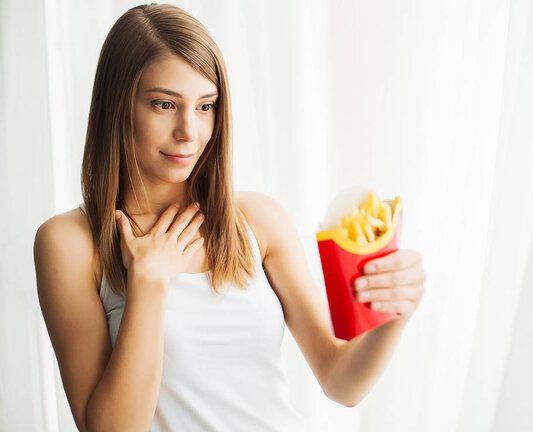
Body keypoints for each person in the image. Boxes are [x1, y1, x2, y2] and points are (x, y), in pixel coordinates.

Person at [33, 3, 426, 431]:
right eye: (165, 105)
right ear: (118, 105)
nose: (190, 130)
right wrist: (148, 284)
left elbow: (340, 382)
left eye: (206, 106)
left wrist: (395, 312)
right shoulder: (70, 243)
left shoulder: (256, 219)